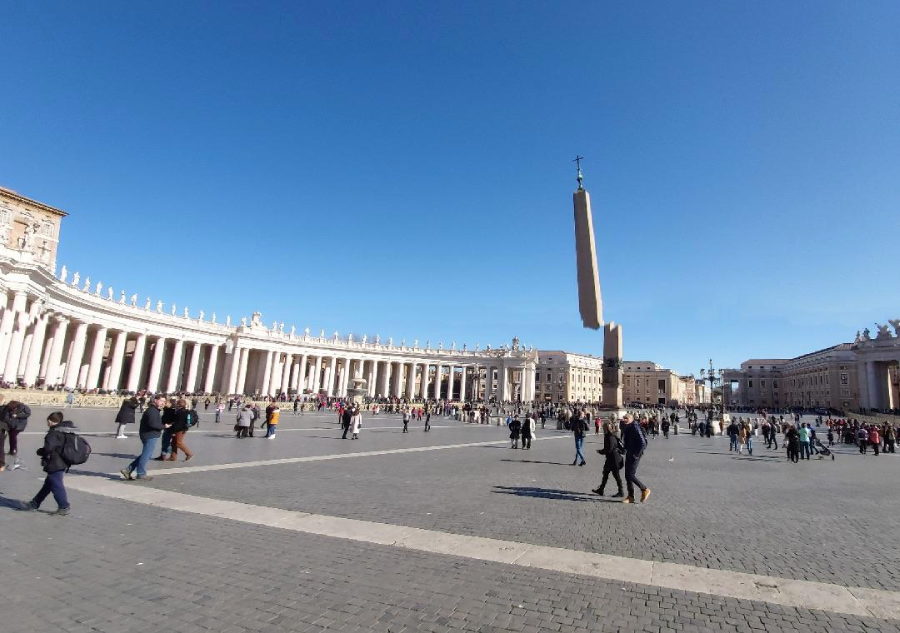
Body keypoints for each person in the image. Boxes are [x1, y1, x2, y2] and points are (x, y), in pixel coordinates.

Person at [21, 412, 77, 515]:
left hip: (55, 462)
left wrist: (40, 451)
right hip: (63, 460)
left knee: (56, 484)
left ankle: (64, 506)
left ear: (50, 421)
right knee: (48, 484)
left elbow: (49, 448)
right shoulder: (65, 430)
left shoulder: (53, 432)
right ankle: (35, 503)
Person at [121, 394, 168, 481]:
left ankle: (128, 470)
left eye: (164, 401)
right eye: (161, 401)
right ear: (155, 400)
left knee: (146, 454)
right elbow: (153, 424)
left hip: (149, 434)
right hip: (150, 435)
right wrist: (164, 426)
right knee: (146, 455)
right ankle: (141, 473)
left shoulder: (154, 410)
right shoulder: (152, 411)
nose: (163, 403)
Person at [622, 413, 650, 503]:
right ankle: (630, 496)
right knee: (627, 475)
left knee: (630, 474)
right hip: (629, 452)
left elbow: (643, 443)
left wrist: (636, 455)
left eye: (626, 418)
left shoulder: (635, 427)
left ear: (631, 419)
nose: (624, 420)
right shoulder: (628, 427)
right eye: (624, 418)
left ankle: (644, 489)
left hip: (634, 454)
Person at [593, 421, 624, 497]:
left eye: (603, 428)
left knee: (616, 475)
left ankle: (621, 491)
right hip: (611, 459)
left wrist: (601, 451)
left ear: (605, 428)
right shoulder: (611, 435)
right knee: (605, 473)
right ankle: (601, 489)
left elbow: (609, 449)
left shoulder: (609, 437)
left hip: (614, 459)